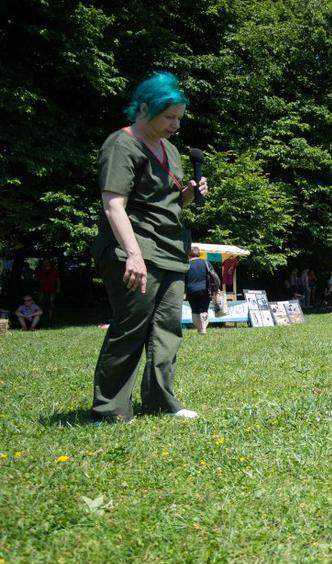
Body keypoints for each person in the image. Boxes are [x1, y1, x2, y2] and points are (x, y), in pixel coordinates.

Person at [89, 71, 207, 423]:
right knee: (131, 326)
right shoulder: (121, 144)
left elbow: (168, 203)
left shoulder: (170, 149)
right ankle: (110, 410)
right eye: (169, 117)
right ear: (143, 108)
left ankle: (159, 401)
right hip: (134, 248)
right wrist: (134, 256)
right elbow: (114, 205)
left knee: (167, 329)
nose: (176, 125)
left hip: (171, 249)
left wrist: (187, 194)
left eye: (179, 118)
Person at [185, 246, 216, 335]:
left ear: (189, 254)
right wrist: (216, 288)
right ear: (199, 254)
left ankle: (199, 329)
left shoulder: (186, 264)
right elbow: (214, 276)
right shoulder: (206, 263)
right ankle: (204, 329)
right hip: (204, 290)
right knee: (204, 310)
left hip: (191, 290)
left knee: (194, 311)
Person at [35, 259, 60, 323]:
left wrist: (58, 288)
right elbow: (36, 279)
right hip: (42, 289)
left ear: (50, 263)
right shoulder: (40, 270)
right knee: (40, 302)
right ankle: (39, 316)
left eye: (47, 262)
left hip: (52, 289)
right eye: (44, 262)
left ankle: (50, 316)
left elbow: (58, 280)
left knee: (51, 302)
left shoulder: (54, 270)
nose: (46, 264)